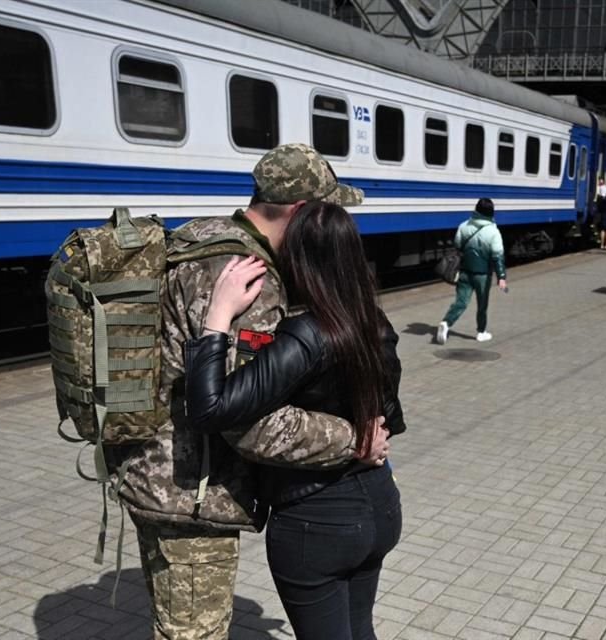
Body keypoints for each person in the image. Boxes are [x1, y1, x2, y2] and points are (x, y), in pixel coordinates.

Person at [111, 143, 391, 640]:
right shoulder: (250, 277)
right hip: (195, 493)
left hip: (156, 473)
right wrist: (353, 439)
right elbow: (251, 422)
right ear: (303, 212)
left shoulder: (203, 235)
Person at [183, 200, 405, 640]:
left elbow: (210, 408)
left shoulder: (306, 335)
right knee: (361, 632)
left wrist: (218, 317)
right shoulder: (374, 323)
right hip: (380, 505)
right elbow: (390, 419)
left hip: (316, 521)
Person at [436, 198, 508, 344]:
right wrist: (501, 276)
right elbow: (497, 256)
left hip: (465, 272)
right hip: (482, 276)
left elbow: (458, 245)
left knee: (461, 302)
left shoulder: (464, 226)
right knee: (482, 305)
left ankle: (446, 323)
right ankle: (481, 332)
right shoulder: (493, 231)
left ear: (476, 210)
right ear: (491, 213)